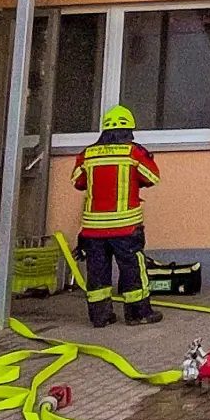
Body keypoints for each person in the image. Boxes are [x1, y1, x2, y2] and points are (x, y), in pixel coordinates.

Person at [73, 105, 162, 328]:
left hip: (93, 230)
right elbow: (152, 177)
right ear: (129, 131)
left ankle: (100, 317)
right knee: (132, 268)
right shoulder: (132, 153)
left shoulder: (87, 154)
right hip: (125, 227)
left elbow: (78, 182)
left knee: (97, 272)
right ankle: (138, 314)